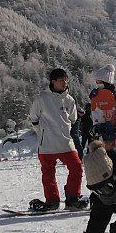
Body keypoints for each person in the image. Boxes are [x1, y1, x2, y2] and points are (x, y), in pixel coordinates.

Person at [28, 68, 86, 212]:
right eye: (61, 80)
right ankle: (52, 201)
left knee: (77, 168)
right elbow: (33, 118)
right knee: (48, 174)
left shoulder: (70, 100)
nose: (65, 82)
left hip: (66, 142)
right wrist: (42, 133)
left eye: (66, 79)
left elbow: (72, 119)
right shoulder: (42, 98)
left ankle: (72, 198)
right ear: (53, 82)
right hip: (46, 144)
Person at [88, 65, 116, 154]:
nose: (97, 84)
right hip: (104, 136)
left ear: (106, 81)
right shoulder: (98, 95)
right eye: (97, 82)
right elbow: (94, 115)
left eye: (99, 82)